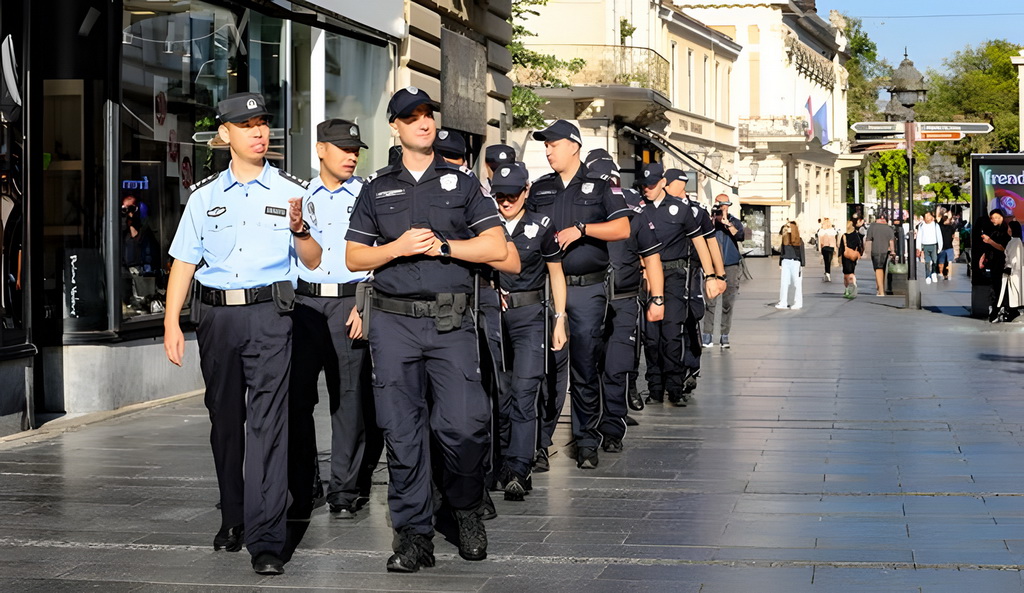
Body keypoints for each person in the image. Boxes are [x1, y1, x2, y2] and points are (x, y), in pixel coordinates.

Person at [344, 87, 508, 572]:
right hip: (393, 324)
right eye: (410, 116)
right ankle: (414, 537)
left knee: (464, 426)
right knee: (402, 433)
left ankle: (464, 506)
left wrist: (443, 249)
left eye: (427, 115)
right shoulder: (377, 188)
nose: (422, 122)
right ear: (393, 127)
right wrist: (395, 248)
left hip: (450, 321)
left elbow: (496, 247)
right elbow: (354, 256)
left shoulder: (462, 184)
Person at [163, 92, 323, 576]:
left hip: (270, 316)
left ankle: (267, 538)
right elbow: (185, 261)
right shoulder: (205, 195)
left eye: (263, 123)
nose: (259, 132)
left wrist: (299, 230)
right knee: (225, 420)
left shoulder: (291, 190)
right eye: (247, 124)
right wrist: (171, 321)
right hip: (216, 318)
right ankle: (233, 517)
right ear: (225, 134)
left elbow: (313, 259)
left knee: (269, 424)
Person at [288, 118, 380, 524]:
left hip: (349, 305)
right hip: (304, 307)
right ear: (320, 149)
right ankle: (307, 481)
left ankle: (345, 488)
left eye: (356, 149)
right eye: (343, 148)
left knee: (348, 401)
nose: (351, 155)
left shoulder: (367, 195)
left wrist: (366, 305)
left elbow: (378, 255)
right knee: (298, 399)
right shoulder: (297, 195)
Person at [525, 119, 630, 470]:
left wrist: (583, 229)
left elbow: (621, 227)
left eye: (552, 143)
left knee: (585, 366)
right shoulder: (540, 189)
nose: (547, 150)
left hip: (587, 289)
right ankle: (540, 444)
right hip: (547, 290)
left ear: (573, 145)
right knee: (547, 368)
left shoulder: (600, 187)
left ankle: (586, 440)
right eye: (545, 144)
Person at [490, 162, 567, 501]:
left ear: (526, 192)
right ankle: (499, 461)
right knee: (499, 394)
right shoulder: (485, 226)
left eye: (512, 195)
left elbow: (556, 274)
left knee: (524, 392)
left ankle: (519, 467)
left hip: (531, 315)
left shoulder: (542, 225)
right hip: (494, 317)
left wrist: (560, 319)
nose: (506, 202)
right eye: (500, 196)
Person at [589, 157, 664, 450]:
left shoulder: (634, 216)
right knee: (588, 367)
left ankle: (611, 429)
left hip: (623, 301)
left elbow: (651, 258)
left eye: (609, 183)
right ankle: (588, 428)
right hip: (588, 302)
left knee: (616, 367)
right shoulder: (581, 215)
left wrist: (656, 297)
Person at [638, 163, 722, 407]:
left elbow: (700, 242)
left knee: (672, 334)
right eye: (644, 185)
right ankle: (654, 388)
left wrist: (711, 276)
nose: (647, 189)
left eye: (652, 184)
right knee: (651, 337)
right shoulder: (638, 210)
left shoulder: (680, 209)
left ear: (662, 182)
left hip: (675, 277)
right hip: (649, 279)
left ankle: (674, 387)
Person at [702, 194, 744, 348]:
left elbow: (740, 236)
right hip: (712, 265)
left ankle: (724, 335)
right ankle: (707, 334)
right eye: (721, 204)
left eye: (726, 204)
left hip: (731, 264)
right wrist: (713, 221)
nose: (723, 207)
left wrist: (727, 224)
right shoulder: (708, 220)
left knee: (728, 302)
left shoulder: (733, 220)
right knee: (710, 301)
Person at [978, 209, 1010, 322]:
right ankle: (997, 310)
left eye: (996, 217)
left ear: (1002, 217)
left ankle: (999, 310)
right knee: (995, 287)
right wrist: (984, 256)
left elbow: (1002, 247)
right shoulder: (994, 229)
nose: (994, 220)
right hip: (993, 261)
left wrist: (990, 241)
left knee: (999, 287)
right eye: (992, 218)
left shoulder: (1005, 229)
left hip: (1001, 262)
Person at [998, 220, 1024, 321]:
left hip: (1013, 271)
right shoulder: (1017, 241)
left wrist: (1008, 267)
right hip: (1016, 271)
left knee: (1011, 291)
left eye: (1009, 228)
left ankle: (1013, 311)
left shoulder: (1014, 242)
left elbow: (1013, 257)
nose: (1008, 230)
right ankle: (1012, 311)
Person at [776, 221, 805, 309]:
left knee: (797, 283)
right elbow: (782, 252)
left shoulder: (799, 240)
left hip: (795, 262)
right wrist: (780, 263)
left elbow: (802, 253)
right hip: (787, 261)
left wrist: (802, 264)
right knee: (784, 283)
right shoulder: (785, 238)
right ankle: (783, 301)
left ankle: (798, 302)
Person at [864, 215, 895, 297]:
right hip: (885, 251)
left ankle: (881, 290)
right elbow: (891, 241)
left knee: (877, 269)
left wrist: (865, 252)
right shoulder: (889, 228)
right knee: (882, 269)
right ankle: (880, 288)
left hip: (875, 250)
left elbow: (868, 239)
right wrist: (893, 251)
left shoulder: (872, 227)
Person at [838, 220, 864, 299]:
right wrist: (859, 254)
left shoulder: (844, 236)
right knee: (851, 272)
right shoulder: (856, 235)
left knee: (846, 274)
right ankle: (853, 287)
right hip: (853, 256)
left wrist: (839, 257)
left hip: (845, 256)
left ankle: (847, 289)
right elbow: (859, 245)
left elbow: (841, 248)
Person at [916, 211, 943, 285]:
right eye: (925, 216)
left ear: (932, 217)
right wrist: (918, 247)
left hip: (934, 245)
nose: (927, 218)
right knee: (927, 261)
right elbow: (919, 236)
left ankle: (934, 272)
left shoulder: (935, 225)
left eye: (928, 216)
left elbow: (939, 236)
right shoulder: (921, 225)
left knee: (934, 260)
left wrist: (940, 246)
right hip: (925, 245)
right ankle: (927, 275)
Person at [937, 209, 957, 280]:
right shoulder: (950, 227)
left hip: (943, 247)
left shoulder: (939, 227)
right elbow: (953, 235)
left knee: (942, 261)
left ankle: (942, 273)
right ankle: (946, 274)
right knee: (947, 261)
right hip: (947, 246)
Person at [817, 217, 837, 282]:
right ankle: (828, 273)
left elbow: (820, 241)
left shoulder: (821, 231)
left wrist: (819, 249)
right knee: (829, 261)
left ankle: (827, 273)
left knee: (826, 261)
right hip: (831, 247)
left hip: (824, 247)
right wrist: (835, 249)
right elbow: (834, 241)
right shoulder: (832, 231)